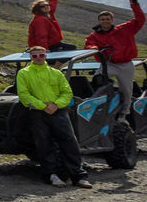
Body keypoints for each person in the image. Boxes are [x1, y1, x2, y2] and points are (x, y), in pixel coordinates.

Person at [16, 46, 91, 188]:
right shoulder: (23, 73)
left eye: (41, 55)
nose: (38, 58)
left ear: (46, 56)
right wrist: (43, 106)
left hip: (59, 111)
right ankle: (51, 175)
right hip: (37, 112)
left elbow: (67, 92)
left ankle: (78, 175)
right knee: (44, 143)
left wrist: (56, 105)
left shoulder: (56, 73)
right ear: (31, 58)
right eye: (35, 56)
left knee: (69, 141)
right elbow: (24, 94)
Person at [84, 0, 146, 118]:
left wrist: (134, 3)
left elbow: (140, 19)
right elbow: (89, 44)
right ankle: (101, 107)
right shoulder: (94, 35)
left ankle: (124, 115)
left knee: (126, 90)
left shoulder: (125, 29)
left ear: (112, 20)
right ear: (99, 21)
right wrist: (94, 48)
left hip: (126, 65)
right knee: (98, 79)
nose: (105, 21)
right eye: (102, 19)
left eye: (107, 19)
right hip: (108, 64)